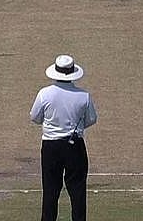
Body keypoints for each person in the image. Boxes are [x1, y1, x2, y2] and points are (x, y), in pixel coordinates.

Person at [30, 54, 98, 221]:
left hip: (51, 147)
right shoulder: (84, 96)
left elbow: (35, 117)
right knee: (78, 192)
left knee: (50, 191)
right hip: (75, 145)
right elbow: (91, 119)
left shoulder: (45, 94)